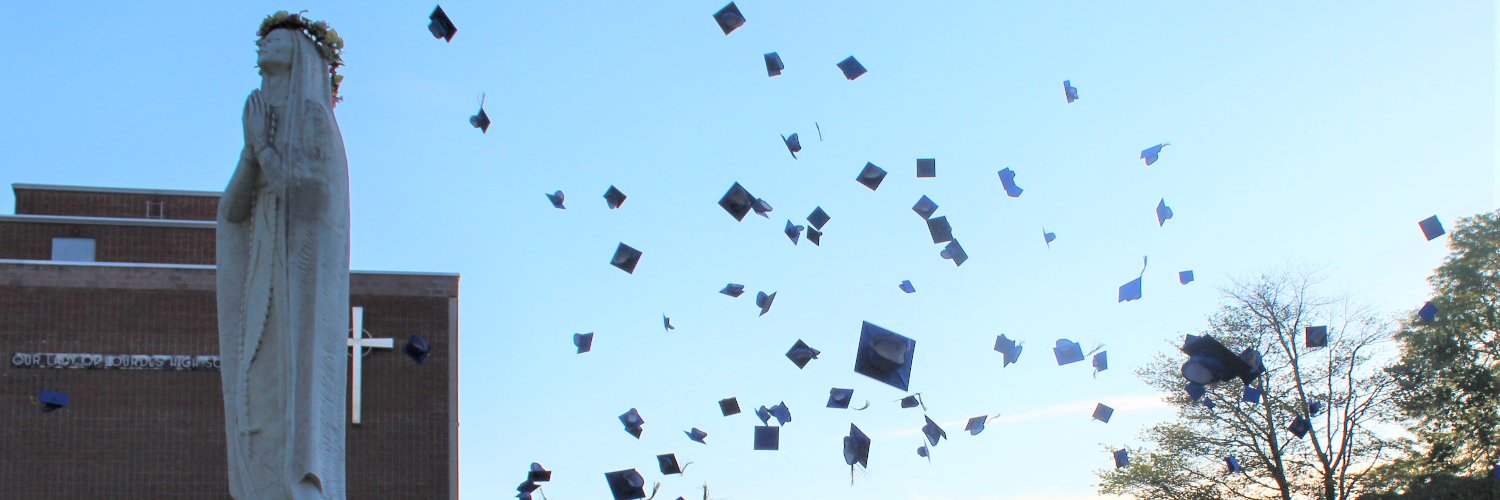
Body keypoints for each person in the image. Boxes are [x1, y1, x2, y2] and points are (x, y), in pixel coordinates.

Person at [217, 14, 349, 499]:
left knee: (293, 382)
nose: (263, 45)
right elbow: (233, 213)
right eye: (263, 40)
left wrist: (262, 145)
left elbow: (310, 197)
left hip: (297, 274)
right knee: (256, 383)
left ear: (300, 53)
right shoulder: (258, 119)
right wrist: (251, 153)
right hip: (260, 266)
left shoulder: (313, 117)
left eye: (275, 39)